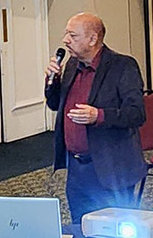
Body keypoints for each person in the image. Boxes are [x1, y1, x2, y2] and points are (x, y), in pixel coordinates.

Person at [44, 12, 147, 223]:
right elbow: (55, 105)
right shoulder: (72, 65)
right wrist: (51, 81)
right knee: (81, 226)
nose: (65, 40)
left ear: (92, 39)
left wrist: (98, 115)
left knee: (114, 230)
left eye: (73, 36)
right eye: (66, 34)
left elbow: (136, 113)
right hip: (77, 168)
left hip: (111, 168)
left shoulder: (123, 66)